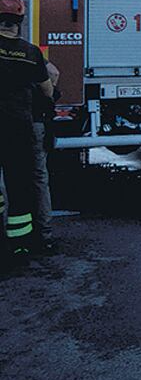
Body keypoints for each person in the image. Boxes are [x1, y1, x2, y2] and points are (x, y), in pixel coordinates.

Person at [0, 0, 53, 267]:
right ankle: (20, 244)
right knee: (19, 185)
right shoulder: (30, 52)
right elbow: (47, 88)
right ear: (19, 20)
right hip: (18, 128)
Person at [31, 60, 59, 253]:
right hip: (33, 120)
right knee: (39, 176)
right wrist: (47, 98)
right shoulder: (29, 52)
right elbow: (53, 73)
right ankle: (44, 234)